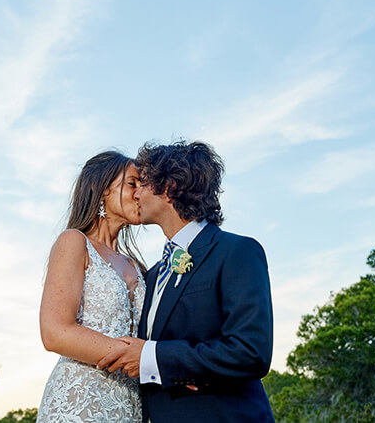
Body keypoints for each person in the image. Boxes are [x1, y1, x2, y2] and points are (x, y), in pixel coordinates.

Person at [97, 140, 274, 422]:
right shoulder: (151, 275)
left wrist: (155, 358)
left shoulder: (237, 252)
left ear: (169, 188)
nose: (136, 194)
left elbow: (250, 352)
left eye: (142, 183)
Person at [37, 151, 147, 422]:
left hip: (131, 405)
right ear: (99, 189)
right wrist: (141, 359)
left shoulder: (137, 266)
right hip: (80, 400)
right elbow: (55, 332)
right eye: (132, 183)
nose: (139, 193)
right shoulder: (74, 242)